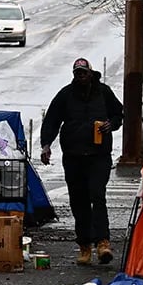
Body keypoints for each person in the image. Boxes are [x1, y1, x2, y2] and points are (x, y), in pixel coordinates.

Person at [39, 58, 124, 265]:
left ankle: (103, 242)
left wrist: (110, 124)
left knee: (97, 195)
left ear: (90, 73)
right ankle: (84, 245)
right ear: (74, 75)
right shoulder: (66, 95)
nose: (81, 76)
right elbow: (52, 119)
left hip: (99, 155)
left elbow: (118, 114)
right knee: (79, 201)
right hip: (74, 156)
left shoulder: (103, 92)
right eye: (77, 73)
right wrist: (46, 145)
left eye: (84, 73)